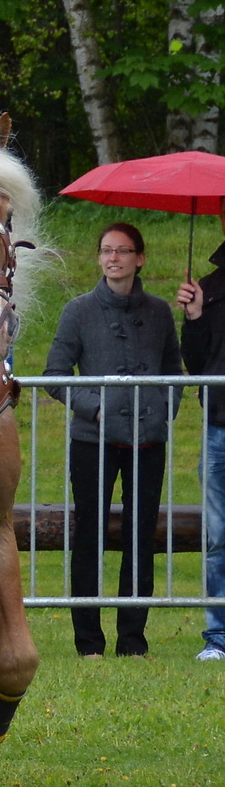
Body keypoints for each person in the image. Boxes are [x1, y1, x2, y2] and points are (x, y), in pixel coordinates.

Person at [42, 222, 182, 658]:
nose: (113, 258)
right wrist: (97, 409)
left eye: (122, 251)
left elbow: (173, 370)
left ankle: (132, 640)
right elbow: (54, 376)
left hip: (148, 441)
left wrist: (164, 409)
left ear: (140, 258)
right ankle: (89, 642)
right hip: (93, 442)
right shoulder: (78, 311)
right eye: (106, 250)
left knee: (141, 537)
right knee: (90, 536)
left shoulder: (159, 312)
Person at [176, 222, 225, 662]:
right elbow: (196, 362)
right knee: (218, 536)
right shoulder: (209, 287)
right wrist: (193, 317)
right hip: (220, 428)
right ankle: (219, 637)